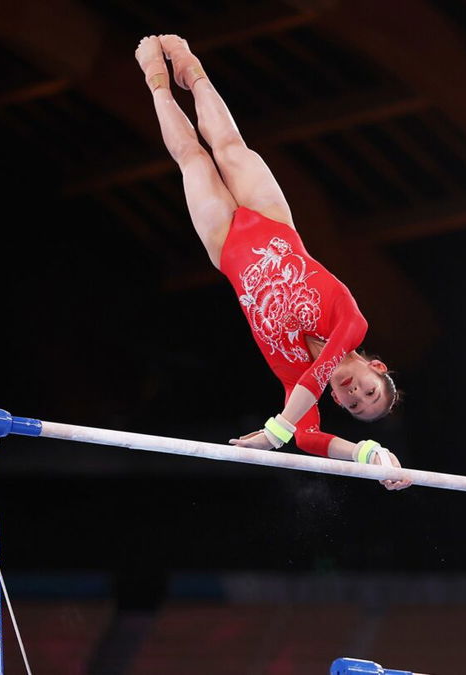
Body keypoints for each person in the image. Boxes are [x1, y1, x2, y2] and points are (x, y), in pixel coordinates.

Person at [135, 34, 410, 490]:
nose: (355, 394)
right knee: (227, 144)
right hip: (273, 222)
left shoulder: (292, 380)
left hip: (227, 249)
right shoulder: (352, 325)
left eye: (356, 406)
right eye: (368, 390)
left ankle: (157, 81)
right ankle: (191, 67)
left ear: (341, 407)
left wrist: (366, 453)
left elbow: (310, 437)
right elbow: (315, 385)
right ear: (375, 367)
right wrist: (277, 431)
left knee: (193, 160)